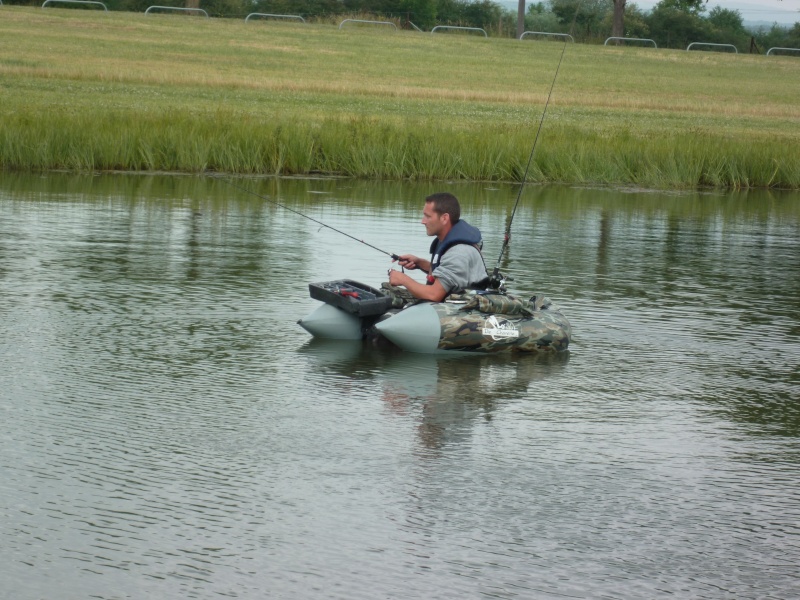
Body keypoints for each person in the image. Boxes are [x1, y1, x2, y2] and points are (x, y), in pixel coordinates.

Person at [388, 192, 489, 302]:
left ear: (444, 218)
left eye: (428, 216)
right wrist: (420, 263)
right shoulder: (445, 240)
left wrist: (403, 280)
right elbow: (447, 271)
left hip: (464, 312)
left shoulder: (459, 252)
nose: (423, 221)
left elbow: (434, 295)